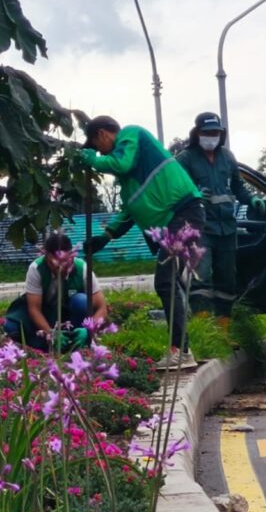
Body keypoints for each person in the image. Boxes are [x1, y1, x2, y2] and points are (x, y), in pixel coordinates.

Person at [76, 111, 205, 351]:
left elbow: (121, 163)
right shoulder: (130, 180)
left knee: (166, 282)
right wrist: (106, 236)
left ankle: (180, 350)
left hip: (182, 213)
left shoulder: (131, 134)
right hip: (173, 220)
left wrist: (91, 160)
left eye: (98, 146)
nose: (102, 153)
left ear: (102, 134)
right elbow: (131, 210)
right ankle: (181, 348)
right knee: (168, 283)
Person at [2, 230, 111, 350]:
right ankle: (41, 344)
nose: (59, 267)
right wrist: (50, 333)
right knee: (11, 326)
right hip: (45, 313)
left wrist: (89, 330)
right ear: (47, 256)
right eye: (53, 262)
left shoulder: (83, 269)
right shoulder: (36, 268)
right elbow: (34, 309)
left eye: (64, 261)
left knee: (81, 301)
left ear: (72, 256)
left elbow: (101, 307)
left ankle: (77, 340)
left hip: (70, 314)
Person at [179, 110, 243, 301]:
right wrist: (193, 194)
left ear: (221, 134)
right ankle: (203, 327)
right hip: (200, 229)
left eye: (215, 133)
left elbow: (238, 187)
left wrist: (252, 200)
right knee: (201, 279)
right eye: (207, 133)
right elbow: (174, 190)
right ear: (197, 133)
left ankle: (224, 327)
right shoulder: (185, 159)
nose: (211, 137)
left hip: (227, 228)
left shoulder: (228, 157)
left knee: (227, 280)